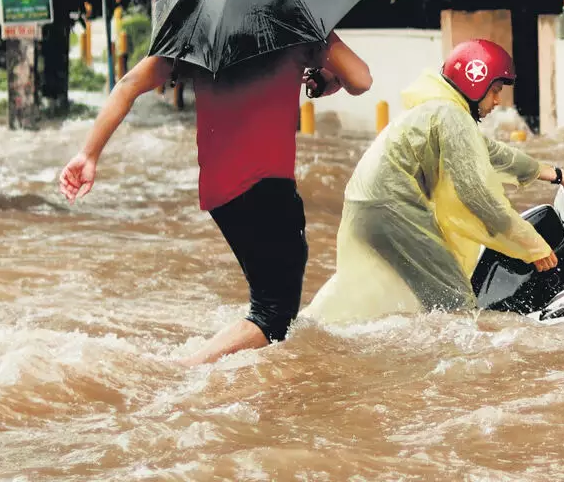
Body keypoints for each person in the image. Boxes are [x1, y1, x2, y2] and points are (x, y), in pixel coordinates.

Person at [58, 33, 372, 365]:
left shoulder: (197, 34)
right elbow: (361, 79)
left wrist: (88, 154)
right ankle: (180, 369)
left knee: (276, 308)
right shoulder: (296, 30)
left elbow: (129, 84)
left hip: (221, 190)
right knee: (273, 316)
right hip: (268, 185)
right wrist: (325, 75)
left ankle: (244, 385)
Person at [303, 39, 564, 324]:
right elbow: (478, 198)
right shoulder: (451, 115)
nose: (498, 101)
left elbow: (492, 153)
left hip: (369, 207)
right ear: (475, 83)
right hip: (394, 209)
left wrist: (556, 175)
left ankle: (300, 331)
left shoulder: (441, 109)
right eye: (496, 90)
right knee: (455, 304)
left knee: (385, 295)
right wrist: (532, 246)